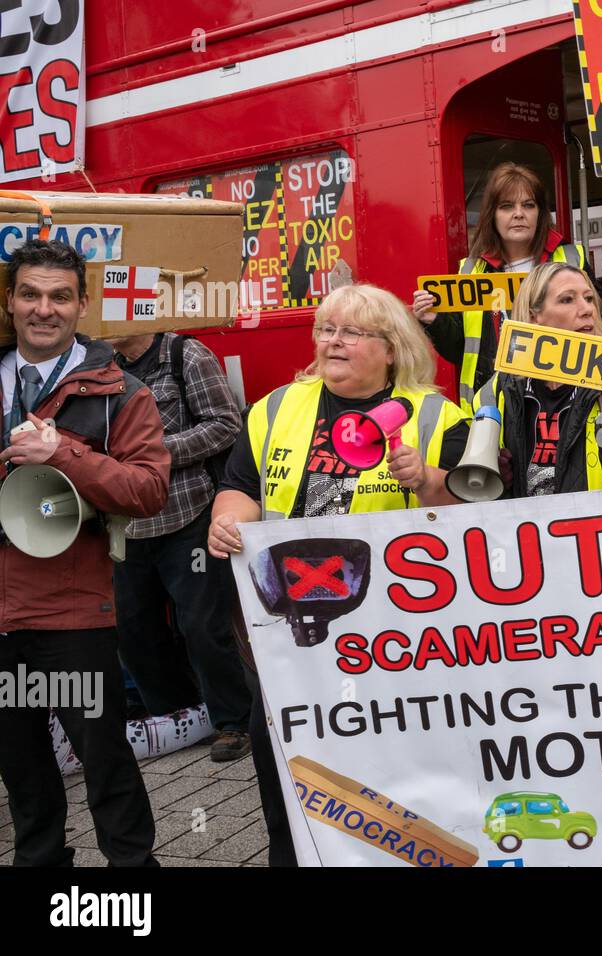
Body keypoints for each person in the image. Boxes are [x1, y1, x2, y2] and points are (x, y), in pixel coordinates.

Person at [208, 283, 470, 865]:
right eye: (326, 328)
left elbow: (472, 513)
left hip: (391, 635)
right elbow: (242, 489)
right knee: (280, 761)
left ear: (393, 348)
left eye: (351, 332)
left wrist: (426, 479)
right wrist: (228, 521)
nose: (333, 341)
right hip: (287, 626)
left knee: (389, 769)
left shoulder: (439, 416)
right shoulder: (276, 408)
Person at [0, 239, 169, 866]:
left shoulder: (119, 391)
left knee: (105, 765)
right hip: (1, 616)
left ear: (82, 304)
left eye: (60, 296)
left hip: (71, 613)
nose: (44, 309)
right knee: (22, 776)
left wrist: (62, 455)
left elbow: (148, 490)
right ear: (10, 301)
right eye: (30, 294)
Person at [105, 331, 251, 762]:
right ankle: (177, 717)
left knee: (204, 628)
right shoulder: (96, 366)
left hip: (188, 515)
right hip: (126, 525)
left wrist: (153, 454)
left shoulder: (184, 354)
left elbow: (226, 425)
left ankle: (234, 721)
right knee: (133, 633)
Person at [472, 261, 602, 497]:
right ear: (535, 316)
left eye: (589, 298)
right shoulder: (495, 392)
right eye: (567, 299)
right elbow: (475, 498)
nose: (587, 309)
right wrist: (497, 482)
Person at [412, 162, 587, 412]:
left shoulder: (572, 258)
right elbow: (462, 350)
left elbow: (599, 332)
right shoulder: (470, 271)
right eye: (507, 206)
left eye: (528, 205)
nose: (519, 214)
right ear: (493, 215)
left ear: (540, 213)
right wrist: (435, 321)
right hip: (494, 405)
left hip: (565, 398)